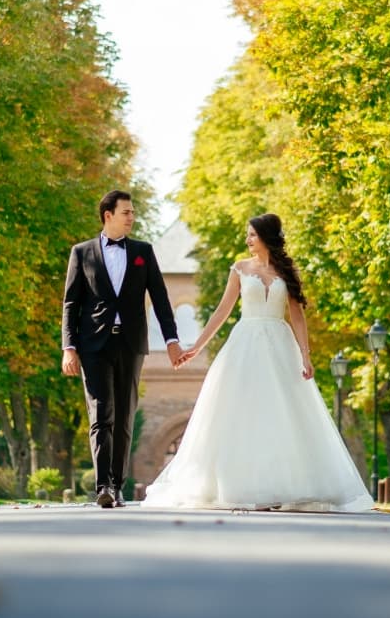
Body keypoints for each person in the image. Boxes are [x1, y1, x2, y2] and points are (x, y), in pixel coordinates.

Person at [143, 213, 373, 512]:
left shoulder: (286, 271)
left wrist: (305, 354)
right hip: (245, 344)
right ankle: (240, 484)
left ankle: (284, 485)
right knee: (242, 412)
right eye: (247, 234)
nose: (248, 239)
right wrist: (196, 347)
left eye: (252, 234)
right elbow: (222, 312)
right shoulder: (239, 269)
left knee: (282, 413)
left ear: (266, 236)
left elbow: (297, 315)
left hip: (280, 344)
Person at [62, 190, 183, 508]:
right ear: (108, 215)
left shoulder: (143, 251)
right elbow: (71, 304)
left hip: (130, 344)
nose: (132, 217)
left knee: (125, 414)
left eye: (132, 212)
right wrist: (69, 347)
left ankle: (117, 485)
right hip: (93, 345)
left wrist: (171, 340)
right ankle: (103, 487)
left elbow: (160, 298)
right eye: (126, 212)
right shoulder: (82, 252)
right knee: (101, 414)